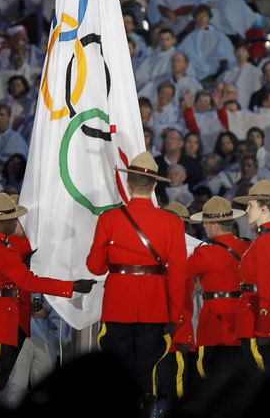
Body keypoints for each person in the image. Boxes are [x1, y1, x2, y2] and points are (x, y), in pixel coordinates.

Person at [86, 152, 187, 417]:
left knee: (116, 367)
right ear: (155, 185)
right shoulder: (172, 222)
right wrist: (175, 314)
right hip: (155, 307)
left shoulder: (109, 219)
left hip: (118, 304)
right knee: (148, 368)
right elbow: (178, 274)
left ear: (128, 183)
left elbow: (94, 267)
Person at [0, 192, 96, 399]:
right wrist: (72, 285)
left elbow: (28, 249)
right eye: (14, 218)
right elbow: (29, 282)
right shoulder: (3, 250)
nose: (17, 222)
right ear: (4, 221)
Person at [233, 180, 270, 377]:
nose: (247, 210)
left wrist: (263, 326)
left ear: (264, 209)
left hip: (256, 318)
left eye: (251, 205)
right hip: (253, 313)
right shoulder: (264, 238)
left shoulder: (267, 240)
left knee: (260, 375)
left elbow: (267, 286)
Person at [188, 196, 250, 383]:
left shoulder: (206, 253)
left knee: (209, 377)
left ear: (215, 226)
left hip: (215, 324)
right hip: (242, 322)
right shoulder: (246, 247)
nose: (203, 227)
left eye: (205, 223)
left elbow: (177, 273)